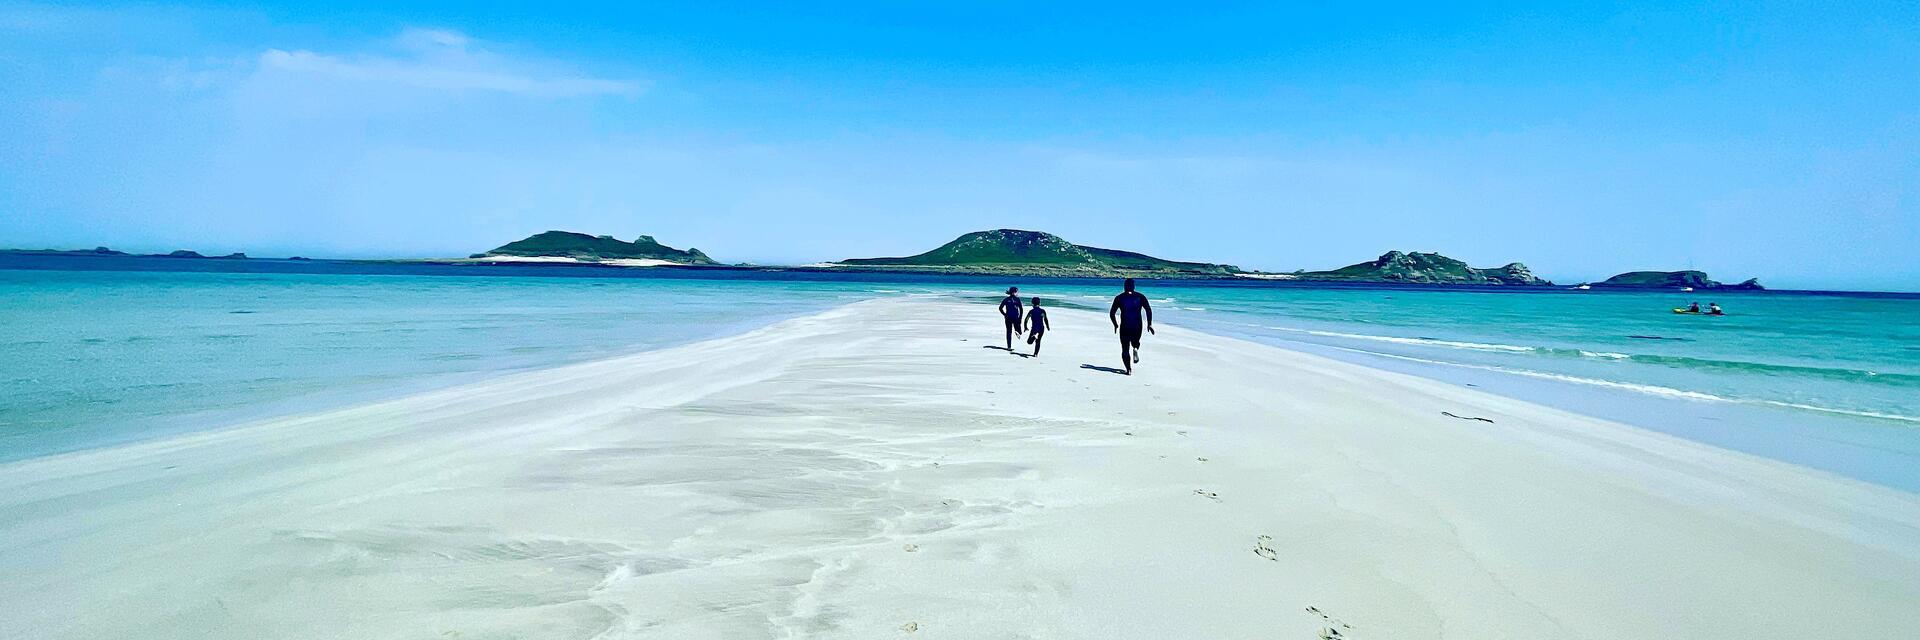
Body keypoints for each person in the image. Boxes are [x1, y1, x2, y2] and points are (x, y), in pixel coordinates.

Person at [1108, 278, 1154, 375]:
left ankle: (1128, 369)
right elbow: (1148, 310)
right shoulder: (1141, 297)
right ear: (1134, 286)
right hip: (1137, 325)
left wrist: (1115, 324)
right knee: (1135, 342)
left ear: (1124, 286)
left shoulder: (1119, 298)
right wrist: (1149, 324)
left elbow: (1112, 313)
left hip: (1125, 326)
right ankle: (1136, 348)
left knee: (1125, 348)